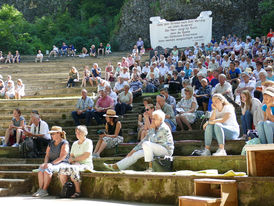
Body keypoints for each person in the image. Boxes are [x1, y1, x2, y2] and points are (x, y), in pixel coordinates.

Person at [103, 110, 174, 172]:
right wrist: (133, 151)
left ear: (161, 119)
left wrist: (151, 129)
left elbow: (152, 141)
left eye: (154, 119)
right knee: (135, 154)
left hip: (166, 150)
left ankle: (150, 168)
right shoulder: (155, 127)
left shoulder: (163, 128)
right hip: (156, 148)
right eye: (152, 119)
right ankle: (117, 166)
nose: (152, 121)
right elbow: (144, 140)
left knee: (147, 144)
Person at [32, 126, 69, 197]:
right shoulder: (50, 143)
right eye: (51, 134)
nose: (51, 136)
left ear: (59, 133)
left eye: (53, 134)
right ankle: (40, 189)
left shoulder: (64, 143)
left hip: (62, 163)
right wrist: (45, 163)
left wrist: (51, 164)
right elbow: (47, 155)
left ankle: (45, 190)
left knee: (47, 169)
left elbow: (62, 157)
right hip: (52, 163)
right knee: (41, 168)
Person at [59, 125, 93, 198]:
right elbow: (71, 156)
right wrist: (73, 161)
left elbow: (86, 155)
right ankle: (66, 190)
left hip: (86, 164)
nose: (78, 134)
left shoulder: (88, 142)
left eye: (80, 132)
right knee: (61, 169)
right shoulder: (75, 143)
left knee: (73, 169)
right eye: (76, 133)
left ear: (85, 133)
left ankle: (78, 191)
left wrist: (74, 160)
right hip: (75, 164)